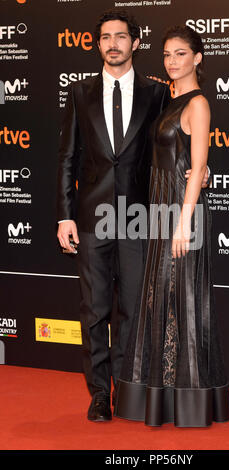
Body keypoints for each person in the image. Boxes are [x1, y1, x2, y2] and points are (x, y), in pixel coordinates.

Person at [56, 10, 210, 423]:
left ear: (134, 44)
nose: (112, 44)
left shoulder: (157, 94)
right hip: (91, 217)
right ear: (98, 44)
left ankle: (126, 390)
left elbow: (176, 140)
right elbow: (68, 158)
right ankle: (98, 394)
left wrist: (198, 168)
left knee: (133, 310)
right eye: (105, 37)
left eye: (120, 37)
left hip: (140, 217)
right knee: (94, 310)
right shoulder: (79, 93)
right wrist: (64, 216)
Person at [114, 25, 229, 427]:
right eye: (167, 54)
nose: (172, 61)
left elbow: (198, 166)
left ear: (197, 58)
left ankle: (190, 400)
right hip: (160, 211)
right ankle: (160, 398)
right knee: (158, 300)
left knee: (182, 299)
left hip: (182, 215)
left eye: (180, 54)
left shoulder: (197, 104)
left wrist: (183, 224)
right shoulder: (169, 98)